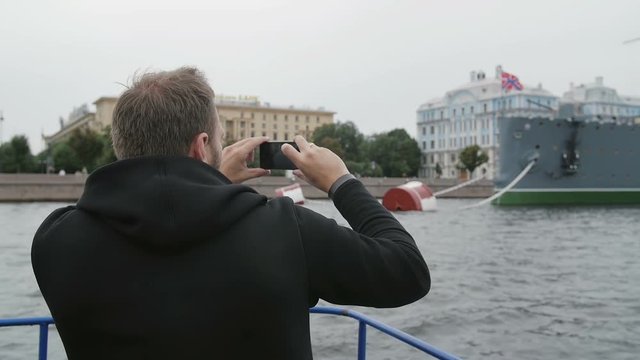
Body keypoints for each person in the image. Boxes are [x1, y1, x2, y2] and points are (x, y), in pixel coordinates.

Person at [32, 67, 430, 360]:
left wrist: (210, 180)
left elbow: (165, 208)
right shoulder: (284, 230)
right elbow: (406, 272)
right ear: (201, 145)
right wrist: (341, 181)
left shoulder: (56, 241)